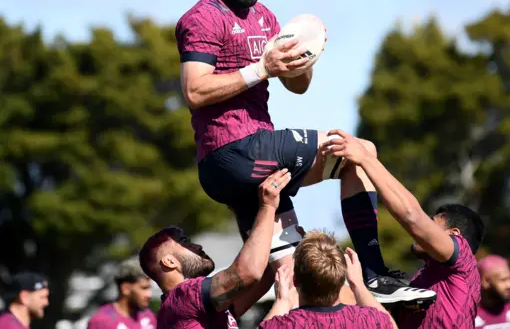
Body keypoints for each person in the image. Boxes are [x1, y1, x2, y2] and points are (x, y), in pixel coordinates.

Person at [176, 0, 431, 305]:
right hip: (232, 152)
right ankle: (374, 275)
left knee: (289, 276)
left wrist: (302, 60)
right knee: (356, 150)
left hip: (255, 164)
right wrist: (263, 69)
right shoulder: (200, 19)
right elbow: (195, 91)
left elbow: (298, 87)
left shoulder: (265, 18)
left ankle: (216, 319)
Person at [322, 130, 486, 329]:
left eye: (432, 221)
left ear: (454, 235)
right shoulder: (421, 282)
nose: (426, 227)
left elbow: (412, 217)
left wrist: (365, 157)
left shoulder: (463, 262)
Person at [138, 169, 290, 328]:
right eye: (184, 242)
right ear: (169, 261)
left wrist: (244, 214)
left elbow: (265, 270)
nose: (197, 246)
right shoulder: (183, 296)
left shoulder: (195, 309)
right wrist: (267, 207)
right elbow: (249, 272)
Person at [260, 230, 396, 329]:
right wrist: (358, 285)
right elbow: (390, 325)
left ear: (295, 280)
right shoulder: (368, 321)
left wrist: (282, 302)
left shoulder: (286, 325)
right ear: (342, 279)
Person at [87, 258, 156, 329]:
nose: (149, 295)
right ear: (126, 289)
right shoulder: (100, 322)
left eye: (149, 288)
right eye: (144, 288)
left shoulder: (148, 315)